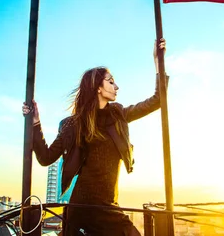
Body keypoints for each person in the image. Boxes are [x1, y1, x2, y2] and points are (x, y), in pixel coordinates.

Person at [22, 38, 167, 236]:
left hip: (108, 207)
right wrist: (36, 124)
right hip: (82, 209)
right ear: (98, 87)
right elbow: (45, 158)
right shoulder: (73, 124)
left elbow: (157, 100)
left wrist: (158, 62)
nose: (117, 87)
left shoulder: (119, 114)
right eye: (111, 81)